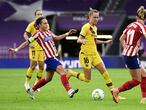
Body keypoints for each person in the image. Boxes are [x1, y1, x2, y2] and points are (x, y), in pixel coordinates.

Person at [8, 17, 78, 99]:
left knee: (48, 79)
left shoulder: (48, 31)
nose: (47, 24)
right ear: (40, 25)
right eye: (44, 23)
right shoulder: (38, 34)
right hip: (49, 58)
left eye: (47, 23)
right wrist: (16, 49)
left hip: (53, 57)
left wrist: (67, 33)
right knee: (63, 72)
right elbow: (27, 42)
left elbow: (56, 37)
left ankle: (32, 90)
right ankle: (69, 91)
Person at [66, 8, 125, 100]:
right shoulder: (85, 27)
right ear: (89, 17)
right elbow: (79, 39)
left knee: (105, 73)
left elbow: (94, 41)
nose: (96, 19)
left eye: (97, 17)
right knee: (87, 79)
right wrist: (83, 40)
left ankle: (114, 93)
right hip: (85, 55)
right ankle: (71, 73)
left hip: (95, 55)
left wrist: (105, 42)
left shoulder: (95, 28)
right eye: (94, 17)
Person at [112, 6, 146, 104]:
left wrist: (126, 47)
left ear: (136, 17)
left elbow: (121, 39)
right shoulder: (142, 26)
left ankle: (144, 98)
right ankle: (116, 91)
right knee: (136, 80)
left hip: (128, 54)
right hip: (131, 56)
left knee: (144, 74)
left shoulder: (130, 25)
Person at [23, 9, 48, 91]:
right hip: (34, 48)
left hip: (42, 49)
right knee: (33, 66)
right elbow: (25, 34)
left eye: (41, 14)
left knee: (41, 67)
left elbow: (47, 35)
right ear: (35, 16)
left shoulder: (46, 25)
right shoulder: (32, 25)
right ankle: (26, 83)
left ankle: (37, 84)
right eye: (38, 14)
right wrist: (29, 43)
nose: (40, 15)